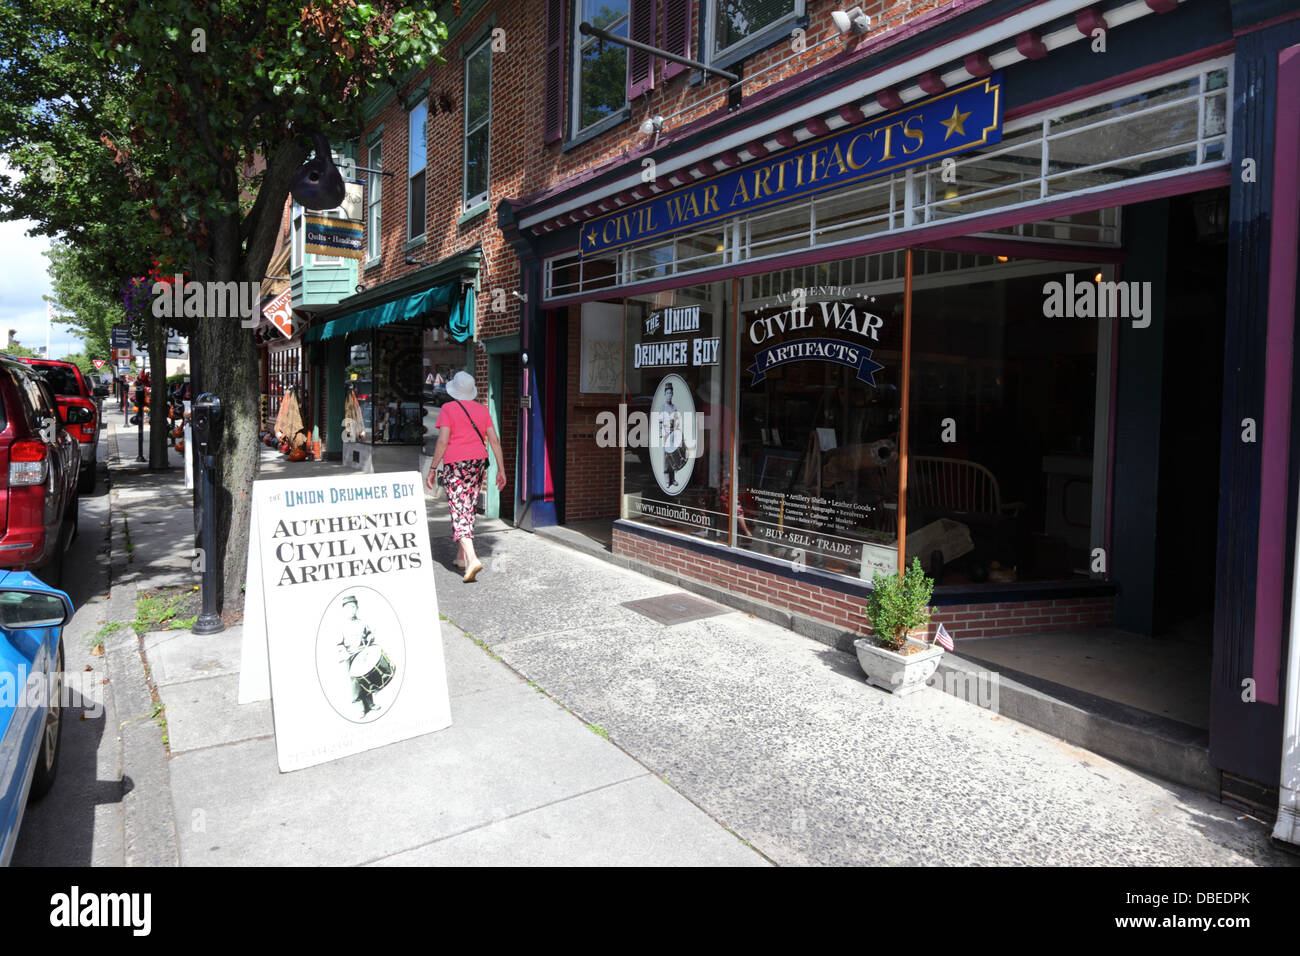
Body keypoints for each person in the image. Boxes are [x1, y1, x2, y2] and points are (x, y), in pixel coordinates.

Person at [425, 370, 506, 582]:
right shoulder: (481, 409)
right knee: (468, 506)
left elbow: (442, 441)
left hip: (456, 464)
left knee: (457, 508)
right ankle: (461, 557)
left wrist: (433, 468)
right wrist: (501, 469)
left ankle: (472, 558)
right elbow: (494, 441)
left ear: (454, 390)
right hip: (478, 462)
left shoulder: (448, 408)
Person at [336, 594, 379, 717]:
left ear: (357, 608)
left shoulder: (362, 623)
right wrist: (343, 652)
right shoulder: (342, 626)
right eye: (348, 607)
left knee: (367, 678)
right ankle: (360, 708)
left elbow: (369, 634)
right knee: (355, 683)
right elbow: (339, 644)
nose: (351, 610)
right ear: (344, 610)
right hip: (349, 656)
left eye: (353, 607)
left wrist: (370, 637)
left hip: (362, 653)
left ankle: (370, 704)